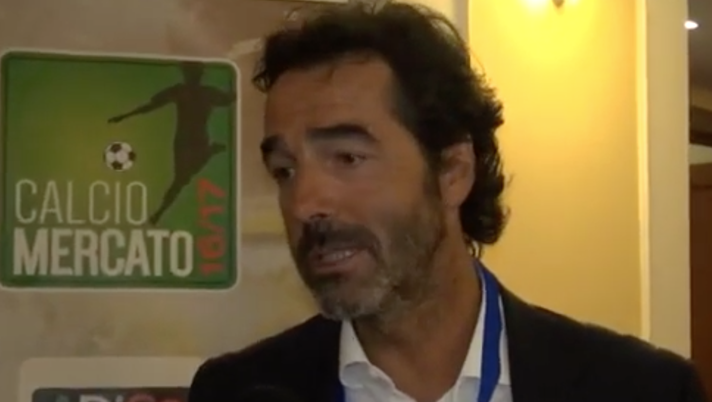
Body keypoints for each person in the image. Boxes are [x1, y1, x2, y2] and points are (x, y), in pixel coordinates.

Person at [188, 2, 707, 402]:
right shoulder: (237, 392)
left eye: (347, 158)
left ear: (453, 172)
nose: (304, 203)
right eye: (285, 170)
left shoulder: (642, 390)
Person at [107, 61, 235, 225]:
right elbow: (151, 106)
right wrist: (125, 116)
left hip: (198, 139)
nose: (192, 76)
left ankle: (209, 152)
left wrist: (237, 87)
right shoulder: (182, 91)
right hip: (183, 141)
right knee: (181, 179)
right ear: (185, 74)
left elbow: (229, 99)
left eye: (195, 72)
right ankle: (160, 212)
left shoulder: (206, 93)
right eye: (190, 72)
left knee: (182, 179)